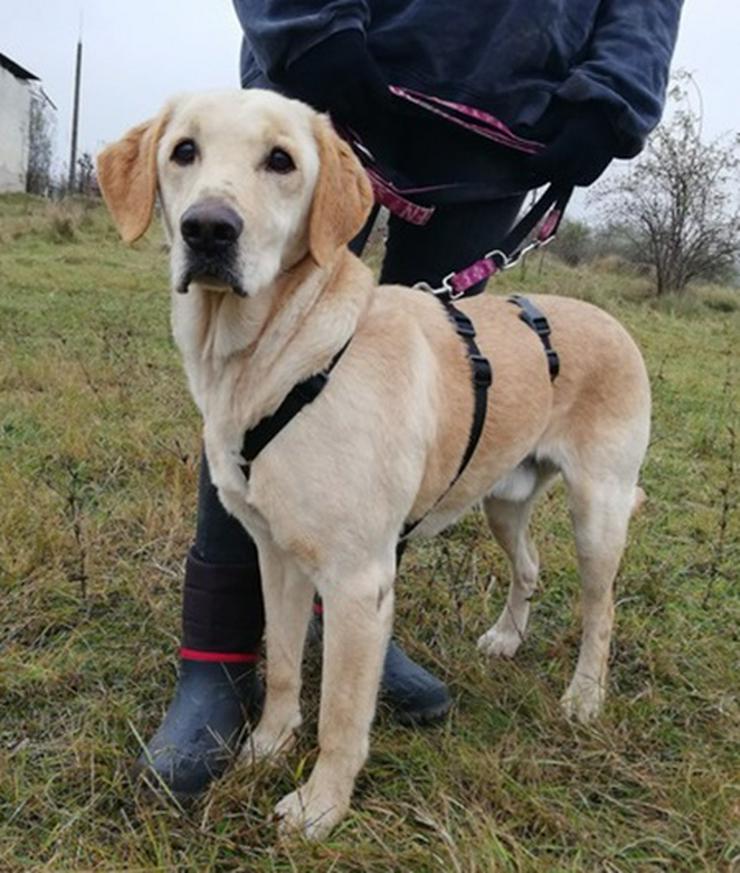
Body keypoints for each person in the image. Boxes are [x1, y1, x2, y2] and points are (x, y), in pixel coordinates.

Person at [137, 0, 684, 795]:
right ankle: (224, 669)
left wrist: (616, 92)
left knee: (379, 530)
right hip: (333, 68)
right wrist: (308, 25)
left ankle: (386, 659)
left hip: (499, 122)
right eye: (185, 155)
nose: (210, 209)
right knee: (270, 512)